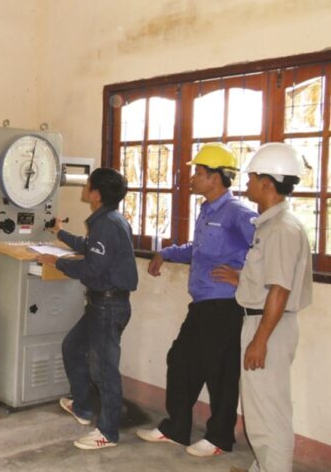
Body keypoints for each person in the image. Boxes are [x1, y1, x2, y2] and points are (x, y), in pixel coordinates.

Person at [136, 143, 258, 457]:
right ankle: (176, 429)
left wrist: (243, 275)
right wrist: (166, 252)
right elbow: (198, 249)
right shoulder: (207, 210)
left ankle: (219, 439)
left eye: (198, 173)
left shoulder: (238, 213)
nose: (192, 178)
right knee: (180, 360)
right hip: (203, 304)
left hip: (225, 305)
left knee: (220, 373)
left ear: (215, 178)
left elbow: (268, 250)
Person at [222, 143, 312, 472]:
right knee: (261, 411)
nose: (246, 184)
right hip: (264, 322)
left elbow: (280, 289)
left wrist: (260, 340)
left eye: (251, 178)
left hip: (268, 327)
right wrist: (243, 279)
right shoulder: (272, 225)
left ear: (267, 183)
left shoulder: (282, 229)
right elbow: (270, 280)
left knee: (268, 417)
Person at [37, 167, 138, 451]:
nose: (85, 188)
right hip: (101, 303)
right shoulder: (109, 220)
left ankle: (108, 432)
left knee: (104, 370)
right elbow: (89, 247)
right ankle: (82, 406)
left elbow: (92, 267)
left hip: (108, 305)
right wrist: (60, 233)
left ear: (96, 194)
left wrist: (57, 261)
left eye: (88, 184)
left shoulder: (107, 224)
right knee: (72, 347)